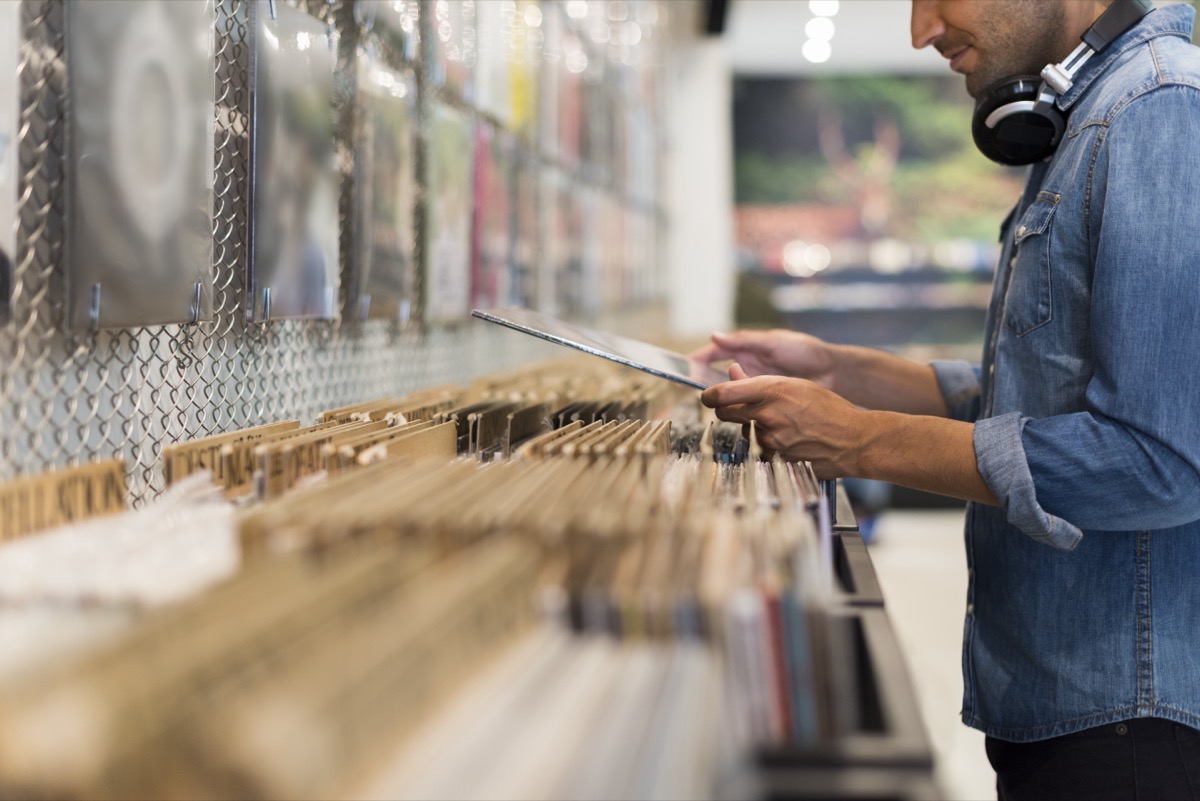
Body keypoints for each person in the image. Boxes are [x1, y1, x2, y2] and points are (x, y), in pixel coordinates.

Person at [693, 1, 1200, 797]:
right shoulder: (1090, 114)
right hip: (1067, 703)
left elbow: (1160, 461)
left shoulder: (1157, 109)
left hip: (1127, 726)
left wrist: (862, 441)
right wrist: (840, 371)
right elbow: (1039, 390)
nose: (921, 29)